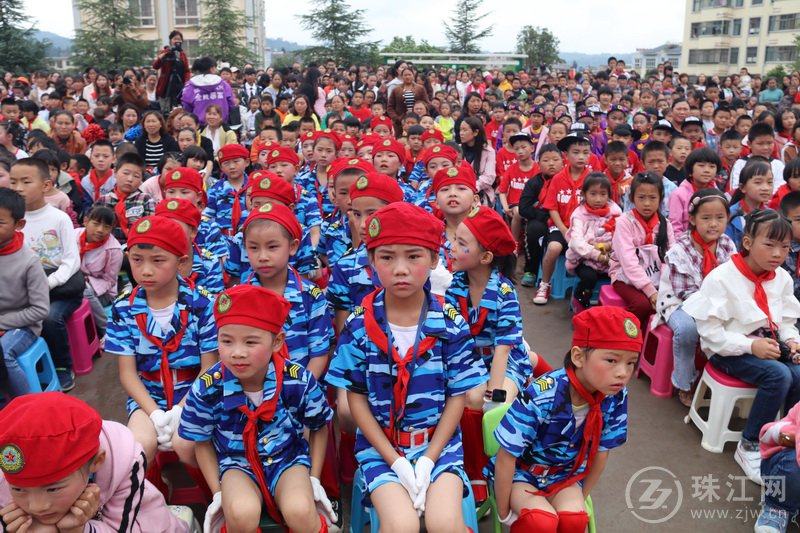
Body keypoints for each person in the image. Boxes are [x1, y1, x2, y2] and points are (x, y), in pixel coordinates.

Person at [326, 202, 488, 530]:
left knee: (445, 523)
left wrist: (429, 459)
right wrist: (396, 461)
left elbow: (458, 395)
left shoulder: (450, 323)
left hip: (440, 448)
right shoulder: (359, 326)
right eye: (387, 257)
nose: (400, 268)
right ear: (372, 261)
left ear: (434, 260)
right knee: (402, 525)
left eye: (413, 256)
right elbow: (355, 398)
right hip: (381, 449)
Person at [178, 284, 334, 532]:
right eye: (226, 341)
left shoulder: (297, 380)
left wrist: (314, 477)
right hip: (236, 462)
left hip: (287, 459)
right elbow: (202, 441)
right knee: (241, 513)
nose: (237, 353)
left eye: (251, 342)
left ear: (277, 342)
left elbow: (319, 426)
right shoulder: (208, 387)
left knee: (300, 510)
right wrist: (217, 492)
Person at [489, 306, 641, 532]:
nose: (623, 372)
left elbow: (601, 452)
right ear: (578, 357)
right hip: (524, 474)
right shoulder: (542, 395)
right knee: (540, 521)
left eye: (631, 362)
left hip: (565, 474)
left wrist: (581, 495)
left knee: (574, 519)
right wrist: (504, 514)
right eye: (611, 360)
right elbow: (506, 458)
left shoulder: (615, 396)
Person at [683, 209, 800, 485]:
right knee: (779, 375)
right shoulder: (723, 277)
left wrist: (792, 341)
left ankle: (787, 433)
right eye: (769, 245)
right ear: (747, 243)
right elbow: (711, 334)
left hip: (767, 346)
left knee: (797, 372)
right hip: (727, 351)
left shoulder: (780, 278)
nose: (777, 254)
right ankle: (749, 444)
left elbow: (785, 321)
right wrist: (751, 345)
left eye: (784, 247)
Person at [105, 215, 219, 466]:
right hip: (149, 394)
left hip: (195, 392)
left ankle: (213, 498)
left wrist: (180, 409)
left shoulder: (203, 304)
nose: (145, 270)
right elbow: (128, 373)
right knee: (137, 447)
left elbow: (209, 368)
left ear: (181, 262)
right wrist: (155, 413)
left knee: (187, 443)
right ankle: (151, 498)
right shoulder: (123, 308)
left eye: (158, 261)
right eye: (136, 260)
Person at [0, 392, 189, 532]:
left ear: (97, 461)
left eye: (53, 489)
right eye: (18, 489)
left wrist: (78, 530)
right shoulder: (7, 464)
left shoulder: (123, 460)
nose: (36, 506)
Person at [655, 190, 735, 407]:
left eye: (720, 218)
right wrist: (714, 312)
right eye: (706, 218)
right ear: (692, 219)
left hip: (715, 302)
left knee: (737, 325)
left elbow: (733, 280)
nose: (713, 224)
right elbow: (685, 293)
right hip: (678, 303)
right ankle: (684, 383)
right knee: (687, 330)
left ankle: (720, 380)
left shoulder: (727, 244)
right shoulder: (679, 250)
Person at [11, 157, 82, 392]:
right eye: (13, 182)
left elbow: (72, 261)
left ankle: (63, 366)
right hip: (23, 288)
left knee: (50, 317)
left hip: (59, 287)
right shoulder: (11, 220)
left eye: (26, 181)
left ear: (46, 185)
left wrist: (47, 283)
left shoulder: (58, 218)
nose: (18, 188)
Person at [241, 202, 331, 379]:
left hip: (303, 392)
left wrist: (302, 392)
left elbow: (319, 354)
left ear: (292, 247)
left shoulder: (310, 296)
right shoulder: (240, 296)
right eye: (253, 248)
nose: (263, 256)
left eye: (272, 247)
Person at [610, 172, 675, 331]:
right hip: (625, 276)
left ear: (660, 198)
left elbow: (670, 257)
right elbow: (628, 261)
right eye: (641, 197)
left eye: (652, 198)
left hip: (658, 277)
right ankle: (622, 336)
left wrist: (664, 287)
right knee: (642, 305)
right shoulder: (624, 222)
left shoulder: (665, 224)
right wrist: (650, 291)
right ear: (631, 198)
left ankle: (647, 340)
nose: (647, 203)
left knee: (673, 304)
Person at [0, 188, 48, 402]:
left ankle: (29, 405)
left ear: (19, 225)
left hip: (23, 326)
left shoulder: (28, 261)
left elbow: (40, 310)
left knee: (3, 352)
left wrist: (2, 322)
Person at [536, 131, 593, 305]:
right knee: (553, 248)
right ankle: (545, 284)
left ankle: (585, 289)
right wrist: (563, 229)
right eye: (576, 152)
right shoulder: (558, 178)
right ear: (566, 155)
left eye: (585, 152)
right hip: (560, 227)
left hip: (585, 229)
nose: (581, 157)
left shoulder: (592, 177)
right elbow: (552, 207)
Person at [566, 173, 622, 309]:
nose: (598, 199)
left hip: (610, 257)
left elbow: (621, 237)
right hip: (584, 260)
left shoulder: (616, 212)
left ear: (609, 195)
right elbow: (576, 242)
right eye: (593, 194)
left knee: (625, 276)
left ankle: (614, 308)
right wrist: (598, 255)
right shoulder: (579, 215)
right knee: (589, 278)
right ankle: (580, 302)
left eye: (603, 194)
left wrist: (608, 246)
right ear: (584, 194)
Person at [519, 144, 564, 288]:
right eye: (546, 160)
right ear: (538, 164)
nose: (551, 163)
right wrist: (545, 217)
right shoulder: (534, 183)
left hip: (564, 221)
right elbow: (523, 208)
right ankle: (531, 270)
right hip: (542, 219)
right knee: (533, 230)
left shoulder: (567, 181)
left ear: (563, 161)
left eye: (555, 159)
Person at [77, 205, 123, 340]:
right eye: (96, 224)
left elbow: (110, 281)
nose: (100, 230)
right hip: (73, 280)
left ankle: (108, 329)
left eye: (107, 227)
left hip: (101, 291)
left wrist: (86, 284)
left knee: (85, 290)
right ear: (86, 221)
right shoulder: (73, 235)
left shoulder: (114, 250)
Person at [96, 152, 156, 245]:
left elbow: (151, 229)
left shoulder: (145, 199)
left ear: (141, 179)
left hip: (137, 247)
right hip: (106, 247)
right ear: (115, 173)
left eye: (136, 176)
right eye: (126, 173)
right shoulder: (104, 200)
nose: (130, 179)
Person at [668, 147, 722, 237]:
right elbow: (675, 227)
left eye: (712, 166)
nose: (707, 170)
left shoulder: (717, 193)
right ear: (690, 170)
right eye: (701, 165)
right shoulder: (679, 194)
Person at [726, 158, 775, 248]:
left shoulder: (773, 216)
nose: (766, 188)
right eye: (758, 182)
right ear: (742, 187)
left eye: (769, 182)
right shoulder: (730, 215)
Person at [730, 123, 786, 193]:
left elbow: (780, 189)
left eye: (769, 143)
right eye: (760, 144)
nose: (765, 147)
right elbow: (736, 189)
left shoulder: (778, 165)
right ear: (749, 144)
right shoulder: (741, 164)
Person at [181, 57, 236, 126]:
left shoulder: (190, 86)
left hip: (198, 127)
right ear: (212, 69)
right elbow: (231, 104)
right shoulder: (223, 84)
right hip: (221, 125)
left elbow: (186, 107)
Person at [460, 116, 496, 207]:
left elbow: (489, 177)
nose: (461, 133)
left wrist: (471, 187)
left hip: (480, 194)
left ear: (476, 132)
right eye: (460, 130)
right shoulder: (458, 149)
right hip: (459, 192)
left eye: (465, 130)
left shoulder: (489, 151)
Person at [153, 30, 190, 113]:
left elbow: (187, 70)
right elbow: (155, 66)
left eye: (179, 39)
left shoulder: (182, 54)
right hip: (166, 86)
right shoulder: (165, 52)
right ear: (170, 41)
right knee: (165, 109)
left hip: (179, 84)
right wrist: (162, 57)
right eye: (175, 39)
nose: (177, 41)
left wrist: (187, 83)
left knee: (180, 109)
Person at [82, 139, 116, 208]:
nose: (100, 159)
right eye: (96, 156)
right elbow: (86, 205)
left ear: (113, 159)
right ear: (91, 158)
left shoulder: (117, 179)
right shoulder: (85, 181)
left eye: (105, 156)